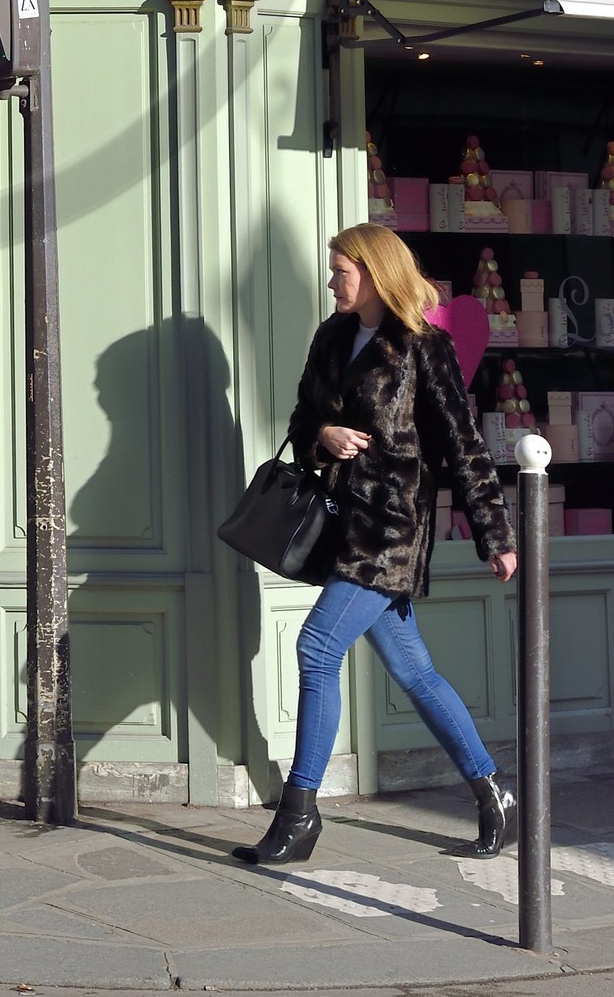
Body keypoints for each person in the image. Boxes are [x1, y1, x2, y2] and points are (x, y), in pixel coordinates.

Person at [234, 222, 518, 869]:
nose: (332, 281)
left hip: (389, 531)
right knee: (414, 671)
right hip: (342, 524)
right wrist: (325, 436)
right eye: (332, 270)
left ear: (374, 272)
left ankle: (299, 816)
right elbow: (301, 422)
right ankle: (493, 792)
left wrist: (494, 535)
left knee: (316, 646)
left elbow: (466, 447)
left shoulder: (424, 347)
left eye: (341, 271)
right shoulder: (331, 338)